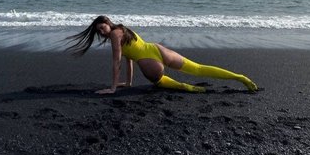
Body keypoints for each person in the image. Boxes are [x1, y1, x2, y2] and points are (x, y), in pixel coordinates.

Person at [67, 15, 258, 95]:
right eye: (98, 31)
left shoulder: (115, 36)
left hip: (148, 62)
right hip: (158, 49)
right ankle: (240, 77)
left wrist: (113, 88)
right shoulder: (123, 30)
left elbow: (116, 61)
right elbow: (129, 59)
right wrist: (128, 83)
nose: (101, 32)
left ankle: (188, 88)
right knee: (198, 68)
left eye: (102, 27)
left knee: (159, 82)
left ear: (108, 23)